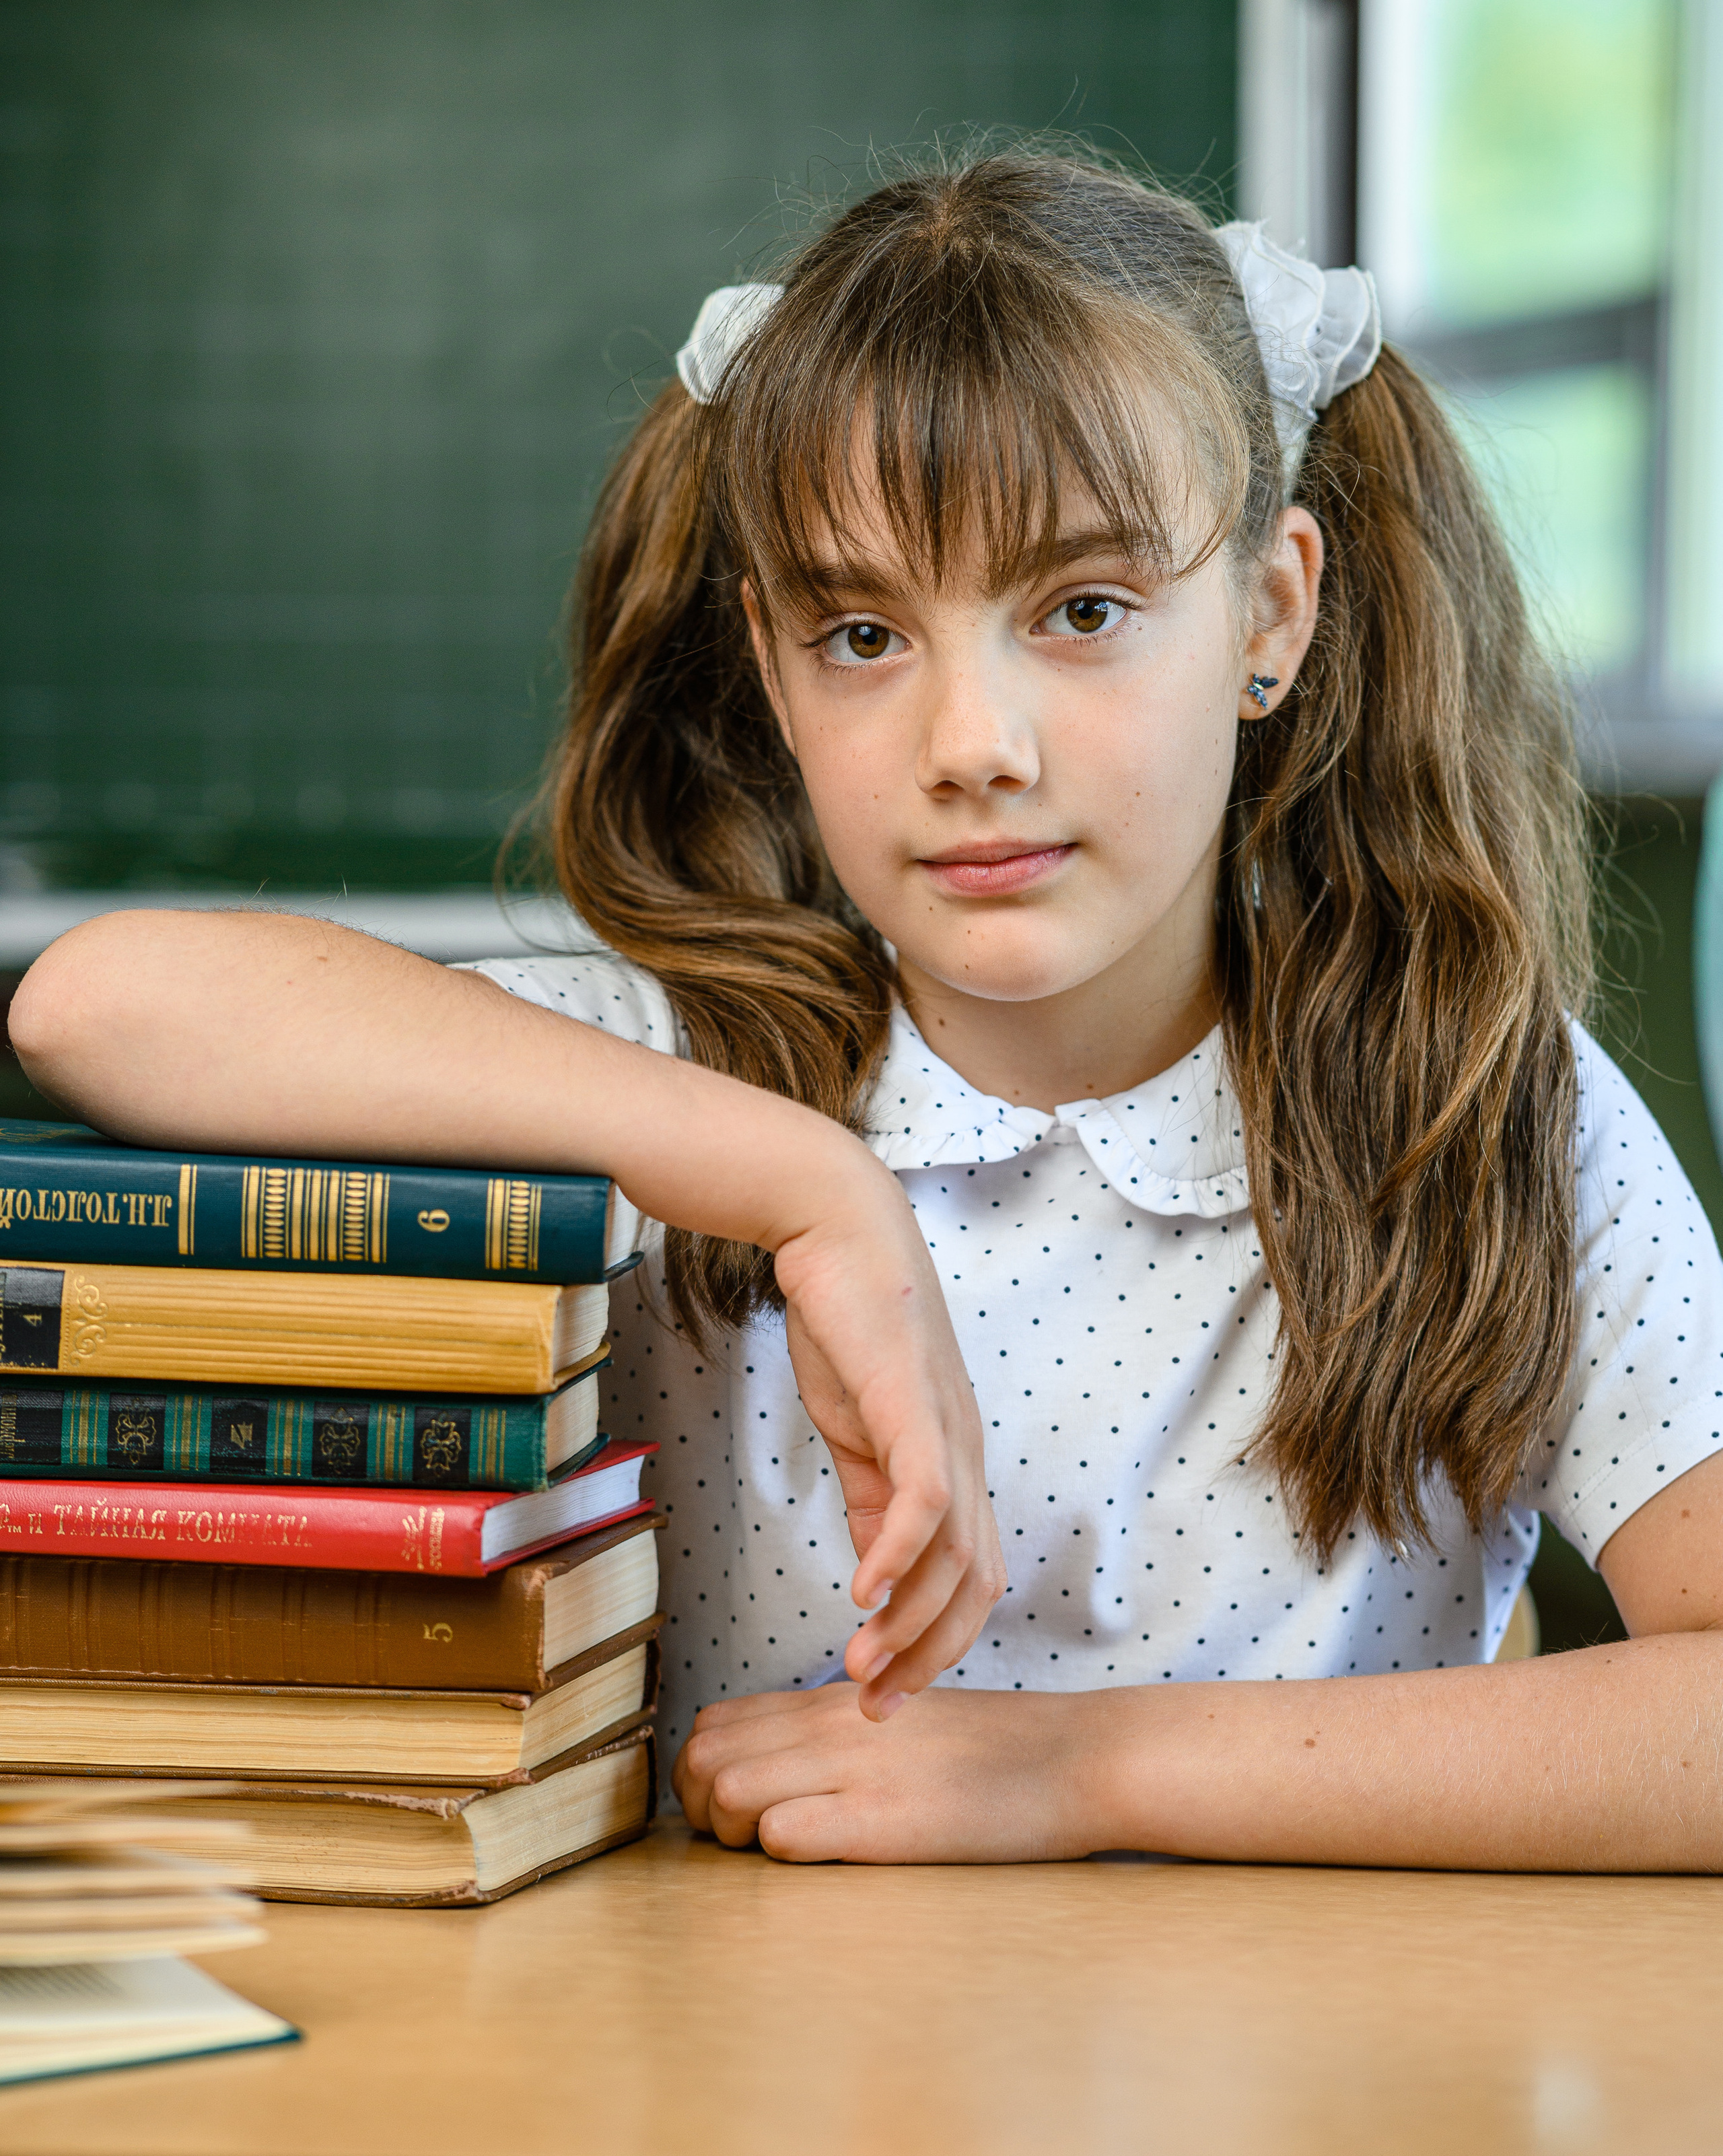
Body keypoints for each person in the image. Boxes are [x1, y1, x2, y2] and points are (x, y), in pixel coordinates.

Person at [14, 151, 1723, 1870]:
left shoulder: (1485, 1113)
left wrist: (1075, 1772)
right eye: (859, 636)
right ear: (767, 660)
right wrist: (807, 1187)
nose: (970, 745)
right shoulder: (678, 1076)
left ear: (1269, 612)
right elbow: (99, 1005)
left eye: (1083, 610)